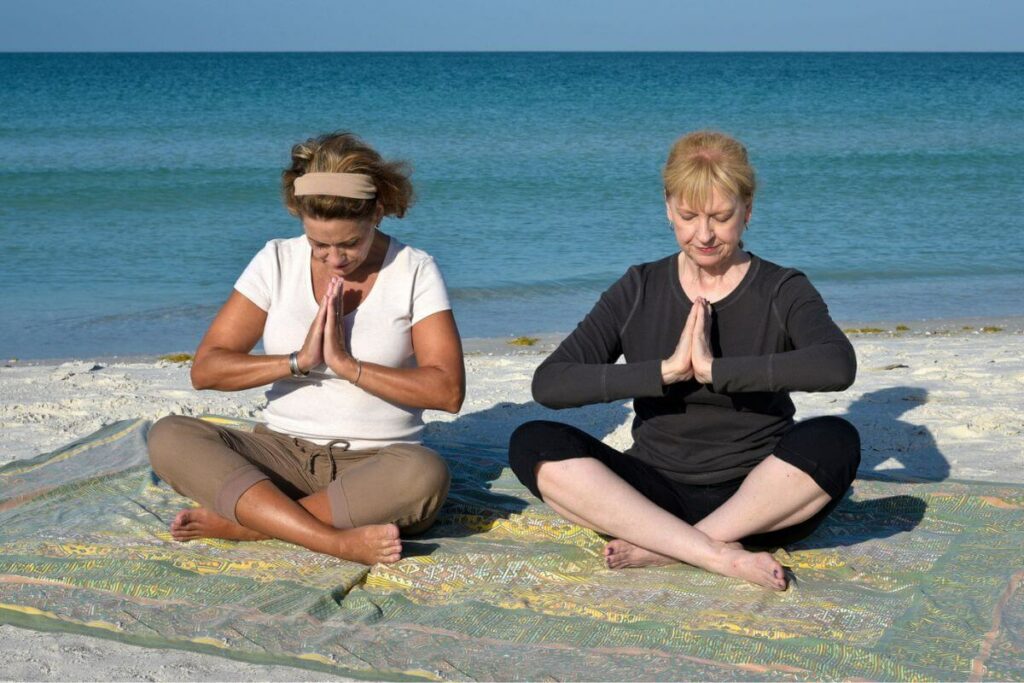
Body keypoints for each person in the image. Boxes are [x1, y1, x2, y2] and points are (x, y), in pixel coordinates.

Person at [508, 131, 859, 590]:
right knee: (533, 443)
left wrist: (716, 372)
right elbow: (550, 384)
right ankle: (716, 554)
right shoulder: (639, 287)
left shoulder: (781, 289)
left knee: (836, 439)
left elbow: (837, 365)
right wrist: (665, 372)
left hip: (758, 500)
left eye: (721, 216)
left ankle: (668, 547)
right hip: (649, 494)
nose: (704, 234)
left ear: (748, 211)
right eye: (689, 216)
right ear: (668, 209)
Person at [148, 132, 464, 565]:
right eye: (319, 246)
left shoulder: (415, 270)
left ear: (376, 214)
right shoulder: (276, 259)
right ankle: (330, 538)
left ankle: (251, 522)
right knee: (169, 435)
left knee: (425, 474)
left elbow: (447, 392)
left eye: (349, 243)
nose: (335, 259)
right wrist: (298, 362)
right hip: (279, 457)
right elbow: (206, 370)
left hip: (376, 465)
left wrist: (347, 366)